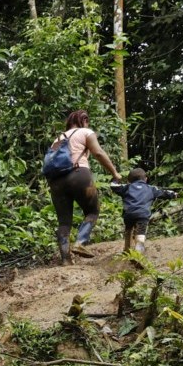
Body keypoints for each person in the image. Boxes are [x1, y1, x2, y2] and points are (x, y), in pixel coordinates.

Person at [47, 110, 123, 264]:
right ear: (84, 120)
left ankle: (66, 260)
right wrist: (115, 172)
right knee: (93, 211)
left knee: (64, 222)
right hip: (78, 174)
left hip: (56, 181)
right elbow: (98, 153)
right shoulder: (85, 132)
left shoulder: (57, 139)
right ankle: (81, 242)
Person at [110, 168, 178, 257]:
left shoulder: (126, 187)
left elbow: (113, 186)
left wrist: (115, 178)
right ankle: (138, 251)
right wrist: (174, 194)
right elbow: (164, 192)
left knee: (128, 230)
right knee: (140, 234)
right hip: (143, 214)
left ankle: (127, 250)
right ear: (145, 179)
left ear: (128, 181)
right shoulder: (151, 188)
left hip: (129, 214)